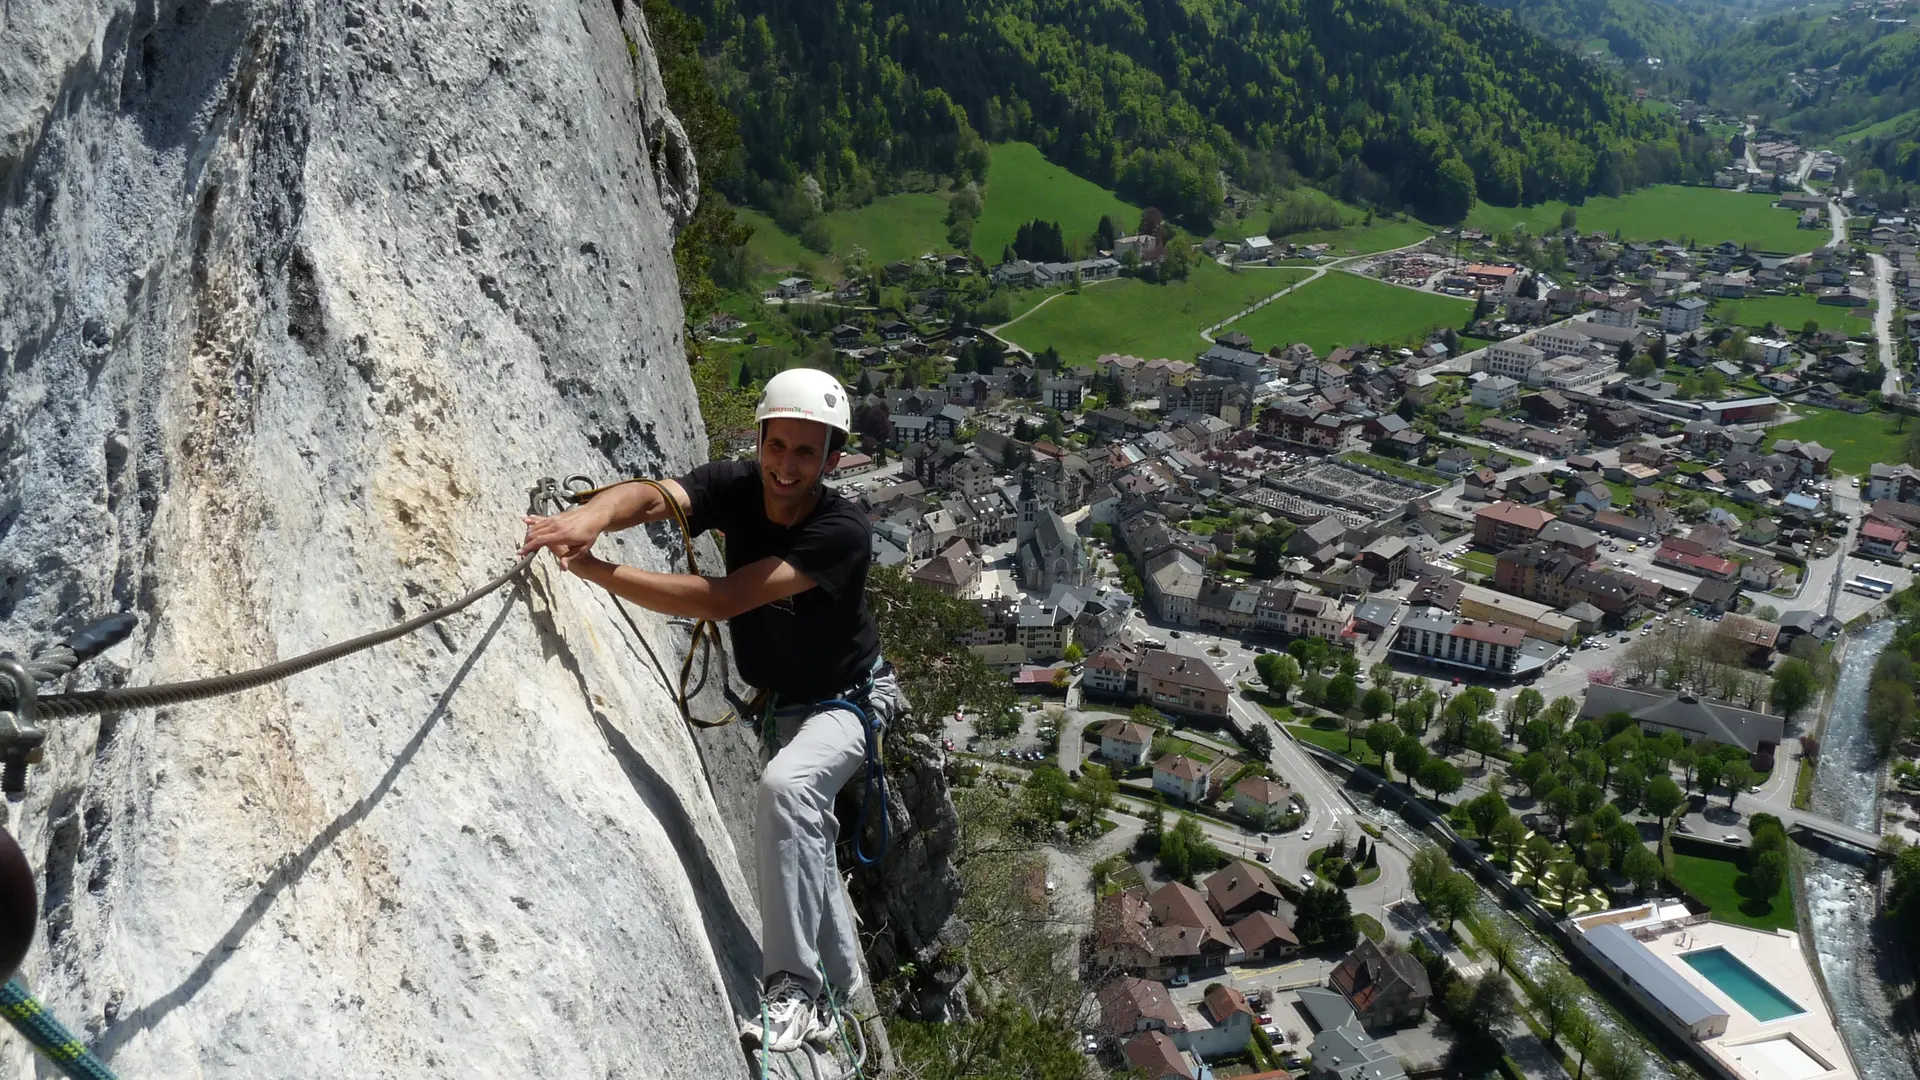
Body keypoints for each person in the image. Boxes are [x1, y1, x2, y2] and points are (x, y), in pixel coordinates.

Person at [519, 368, 903, 1052]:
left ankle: (792, 989)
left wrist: (597, 570)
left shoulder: (842, 530)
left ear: (832, 460)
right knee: (805, 836)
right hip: (782, 708)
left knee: (787, 790)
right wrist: (591, 517)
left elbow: (724, 599)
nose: (785, 465)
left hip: (849, 703)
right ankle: (845, 999)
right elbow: (654, 498)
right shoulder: (736, 486)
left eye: (805, 452)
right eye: (776, 445)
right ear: (760, 440)